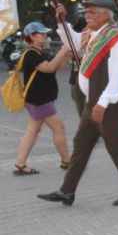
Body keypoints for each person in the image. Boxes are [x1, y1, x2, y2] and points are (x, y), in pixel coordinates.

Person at [38, 0, 118, 206]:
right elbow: (72, 43)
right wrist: (61, 21)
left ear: (106, 15)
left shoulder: (117, 39)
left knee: (116, 147)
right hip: (92, 103)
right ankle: (67, 191)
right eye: (86, 12)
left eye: (92, 12)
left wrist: (103, 104)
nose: (87, 16)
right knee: (81, 145)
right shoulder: (92, 34)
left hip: (107, 105)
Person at [12, 22, 73, 176]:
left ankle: (20, 163)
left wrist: (66, 55)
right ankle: (67, 161)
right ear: (32, 37)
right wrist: (63, 49)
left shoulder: (40, 52)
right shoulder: (31, 54)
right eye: (42, 34)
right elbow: (49, 68)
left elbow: (57, 66)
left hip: (38, 99)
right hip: (39, 100)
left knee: (33, 130)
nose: (46, 36)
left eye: (45, 33)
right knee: (58, 128)